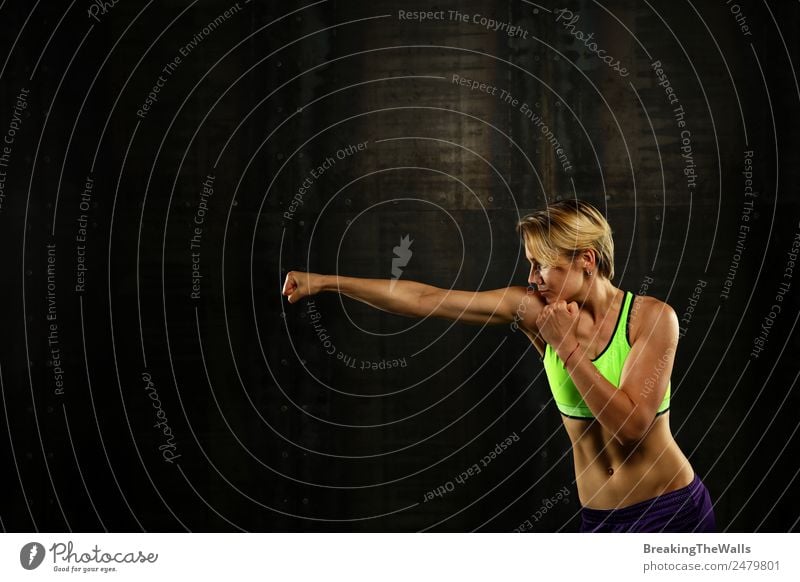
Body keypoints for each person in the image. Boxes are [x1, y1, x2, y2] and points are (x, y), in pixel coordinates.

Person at [281, 199, 716, 532]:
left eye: (542, 264)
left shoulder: (651, 319)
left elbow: (631, 427)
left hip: (671, 511)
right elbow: (426, 299)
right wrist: (324, 282)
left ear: (586, 260)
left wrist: (565, 347)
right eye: (530, 264)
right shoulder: (536, 312)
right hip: (598, 520)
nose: (532, 278)